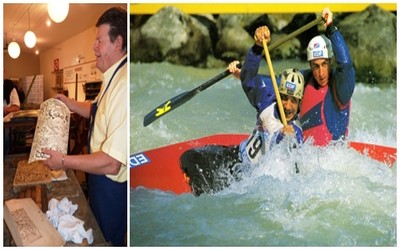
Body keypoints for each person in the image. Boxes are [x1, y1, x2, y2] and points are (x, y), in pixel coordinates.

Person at [180, 26, 305, 196]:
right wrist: (257, 48)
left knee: (207, 190)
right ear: (278, 94)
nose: (288, 106)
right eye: (284, 98)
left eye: (293, 101)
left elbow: (289, 148)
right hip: (236, 157)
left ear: (299, 103)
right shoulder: (267, 101)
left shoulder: (295, 130)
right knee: (189, 158)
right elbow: (248, 79)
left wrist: (286, 138)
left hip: (250, 179)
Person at [43, 7, 127, 246]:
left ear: (118, 42)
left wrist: (63, 161)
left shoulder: (123, 85)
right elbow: (96, 110)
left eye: (99, 41)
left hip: (112, 185)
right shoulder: (112, 78)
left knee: (106, 240)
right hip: (99, 180)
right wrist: (68, 102)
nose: (94, 47)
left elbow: (112, 162)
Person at [299, 7, 355, 146]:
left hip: (334, 160)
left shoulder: (340, 87)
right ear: (310, 65)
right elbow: (271, 85)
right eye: (316, 66)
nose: (321, 73)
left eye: (324, 64)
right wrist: (255, 53)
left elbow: (346, 64)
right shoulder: (304, 79)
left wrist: (331, 28)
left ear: (331, 61)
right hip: (306, 159)